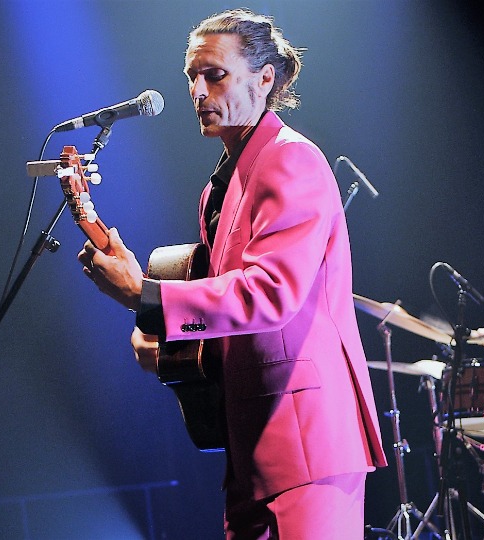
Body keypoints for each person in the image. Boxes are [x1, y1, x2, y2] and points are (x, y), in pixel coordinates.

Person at [77, 9, 387, 539]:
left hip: (307, 443)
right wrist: (178, 350)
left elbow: (270, 295)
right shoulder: (222, 185)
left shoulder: (290, 161)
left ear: (265, 78)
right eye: (191, 78)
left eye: (214, 75)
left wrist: (148, 298)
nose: (197, 90)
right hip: (255, 447)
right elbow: (240, 318)